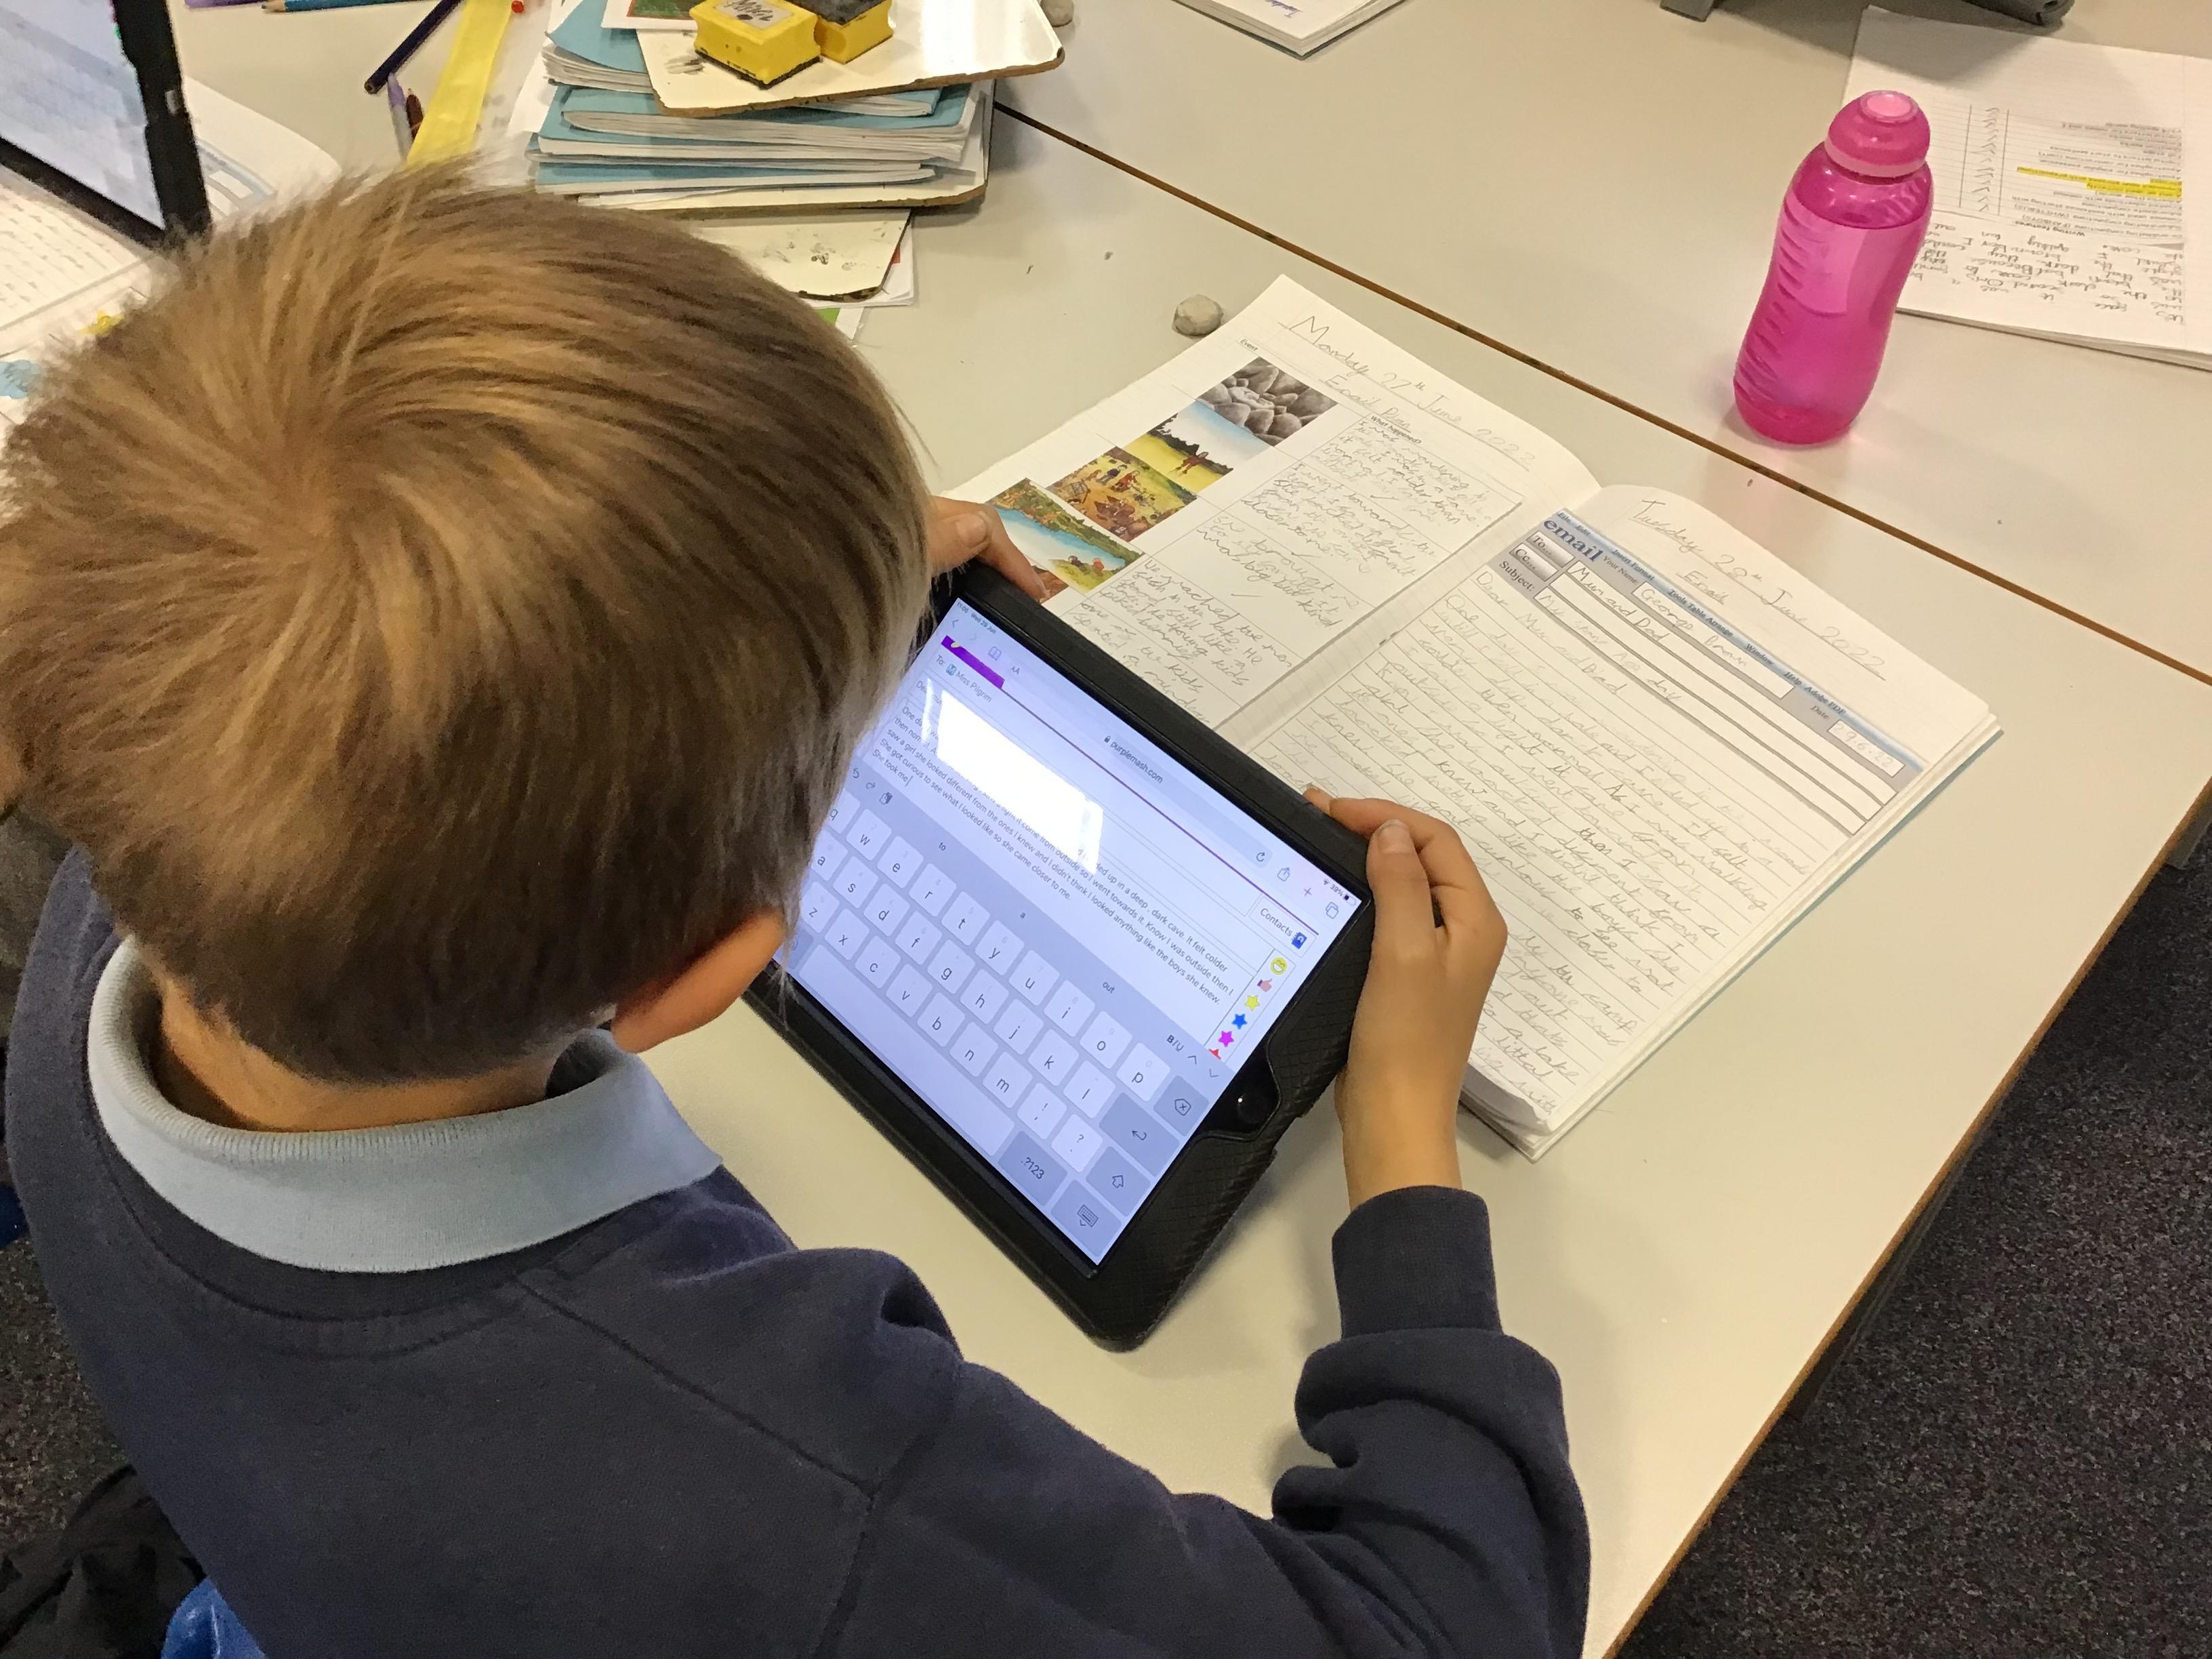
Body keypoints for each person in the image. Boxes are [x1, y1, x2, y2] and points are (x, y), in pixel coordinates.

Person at [0, 168, 1586, 1658]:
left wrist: (760, 582)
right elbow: (1439, 1625)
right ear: (707, 975)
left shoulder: (123, 885)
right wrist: (1401, 1137)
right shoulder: (788, 1483)